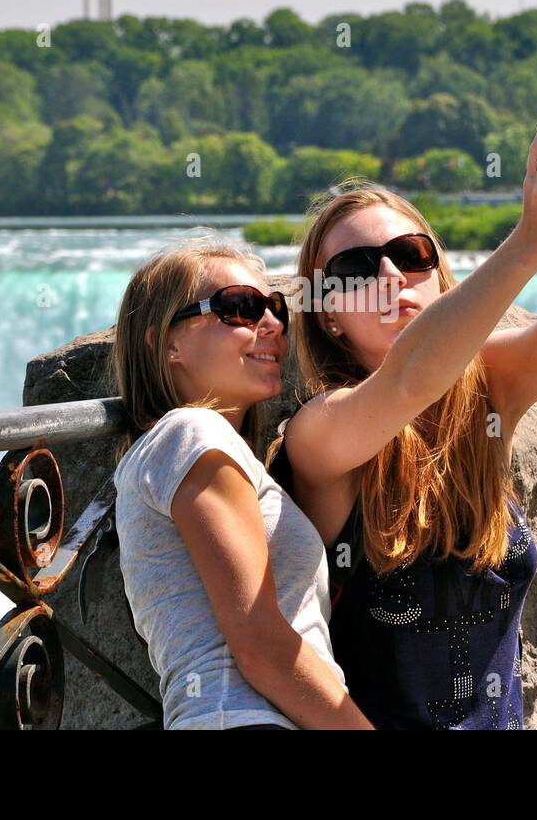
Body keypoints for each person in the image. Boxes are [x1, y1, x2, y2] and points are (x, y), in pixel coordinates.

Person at [266, 112, 537, 729]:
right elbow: (409, 378)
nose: (390, 278)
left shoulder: (483, 391)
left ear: (440, 277)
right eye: (356, 270)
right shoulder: (320, 433)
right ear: (328, 314)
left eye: (410, 256)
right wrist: (528, 241)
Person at [110, 236, 372, 729]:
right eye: (241, 309)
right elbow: (259, 644)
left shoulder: (186, 448)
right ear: (168, 343)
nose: (272, 325)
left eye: (275, 308)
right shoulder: (193, 433)